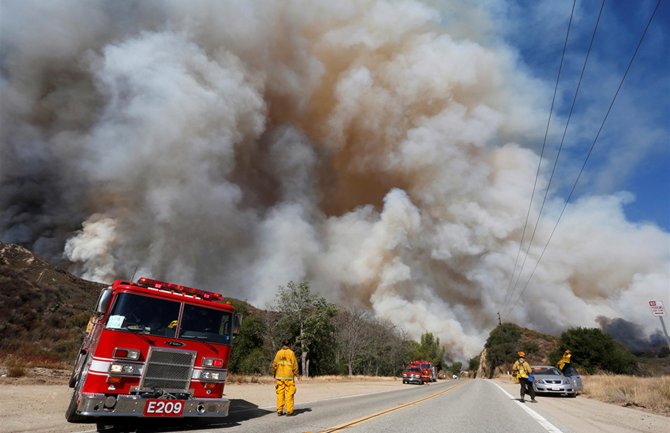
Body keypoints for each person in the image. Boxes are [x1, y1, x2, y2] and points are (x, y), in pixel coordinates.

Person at [272, 340, 299, 416]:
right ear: (289, 345)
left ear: (283, 345)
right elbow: (295, 365)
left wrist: (274, 373)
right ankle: (289, 411)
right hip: (288, 377)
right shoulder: (291, 353)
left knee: (280, 393)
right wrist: (296, 374)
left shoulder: (278, 353)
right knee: (289, 393)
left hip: (279, 376)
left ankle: (279, 410)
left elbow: (274, 364)